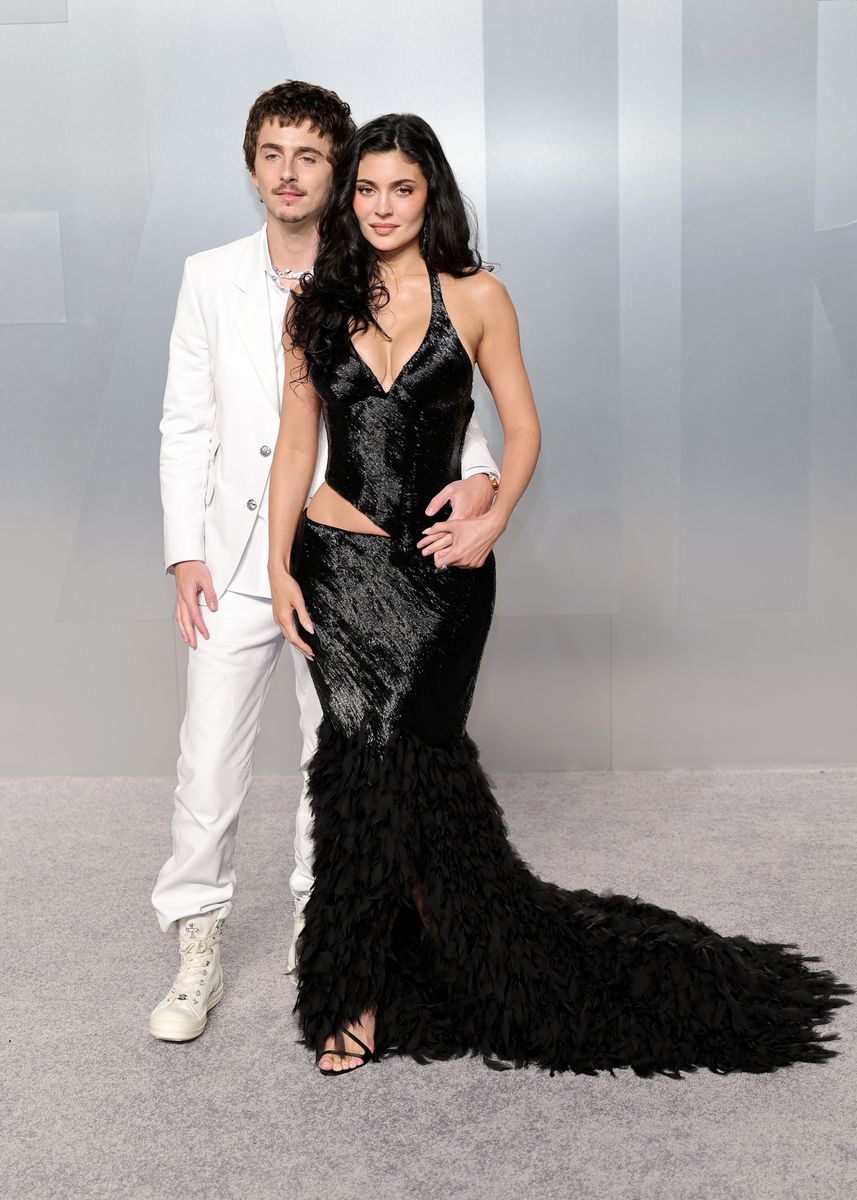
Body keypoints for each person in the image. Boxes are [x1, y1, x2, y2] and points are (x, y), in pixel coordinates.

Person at [268, 113, 851, 1076]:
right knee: (355, 772)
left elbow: (524, 427)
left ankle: (478, 959)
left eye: (400, 189)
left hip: (440, 574)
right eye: (365, 188)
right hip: (335, 564)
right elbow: (298, 444)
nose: (379, 207)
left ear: (430, 196)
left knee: (412, 770)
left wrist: (495, 512)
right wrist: (280, 566)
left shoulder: (479, 296)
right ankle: (352, 987)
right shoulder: (314, 304)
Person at [149, 85, 500, 1043]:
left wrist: (481, 479)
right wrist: (185, 551)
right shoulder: (208, 275)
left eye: (309, 156)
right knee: (207, 756)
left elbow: (432, 403)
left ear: (338, 170)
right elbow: (187, 421)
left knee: (335, 759)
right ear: (251, 163)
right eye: (272, 153)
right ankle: (197, 940)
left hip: (352, 564)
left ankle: (328, 939)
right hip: (235, 560)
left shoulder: (378, 276)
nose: (289, 173)